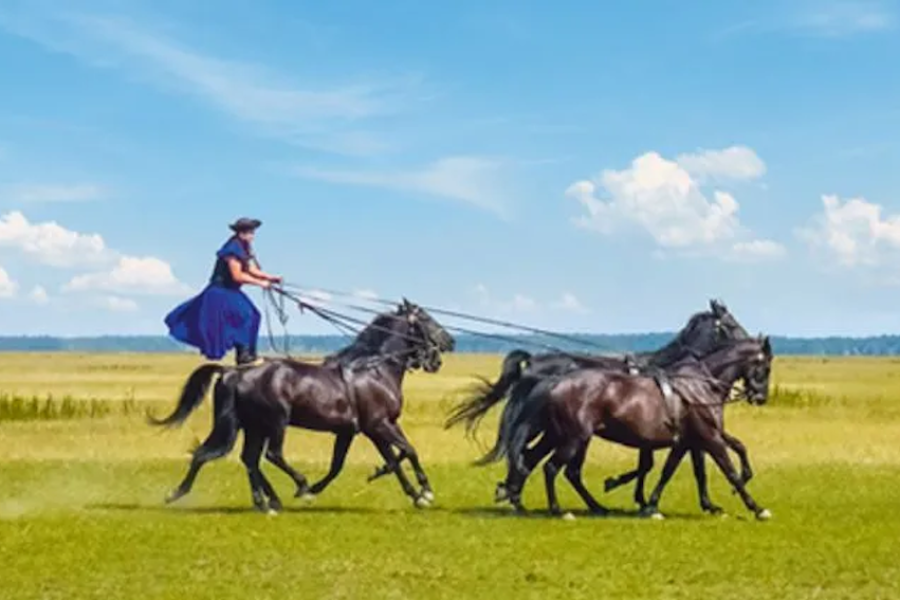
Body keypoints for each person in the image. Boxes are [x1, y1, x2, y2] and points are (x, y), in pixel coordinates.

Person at [165, 217, 281, 366]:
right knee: (246, 315)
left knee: (254, 315)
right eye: (249, 232)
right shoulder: (232, 249)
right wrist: (260, 283)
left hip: (231, 290)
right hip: (221, 292)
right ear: (240, 233)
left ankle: (250, 353)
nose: (252, 235)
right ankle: (244, 356)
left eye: (252, 232)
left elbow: (251, 269)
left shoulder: (244, 247)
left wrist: (270, 278)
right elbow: (237, 276)